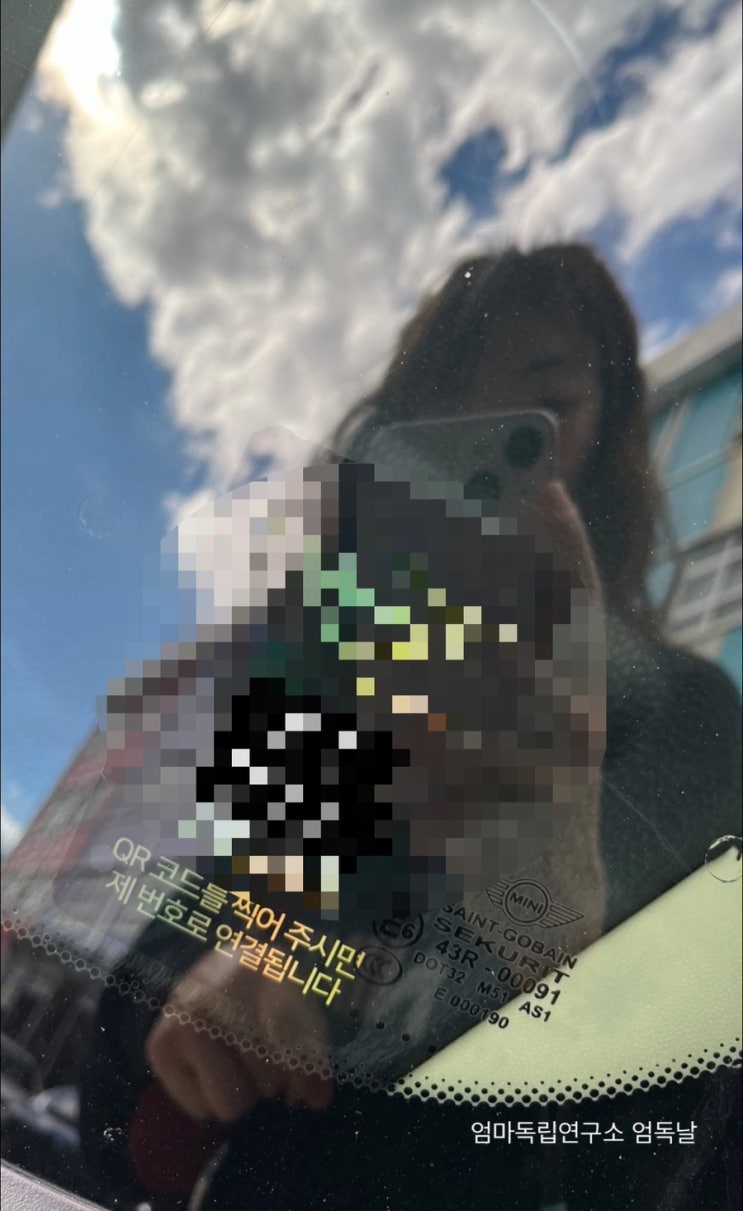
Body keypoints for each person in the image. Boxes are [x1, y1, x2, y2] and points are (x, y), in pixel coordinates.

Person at [79, 243, 741, 1210]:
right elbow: (108, 1116)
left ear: (609, 440)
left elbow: (683, 1160)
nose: (482, 465)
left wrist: (553, 892)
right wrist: (225, 971)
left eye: (541, 412)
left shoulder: (686, 717)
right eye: (443, 424)